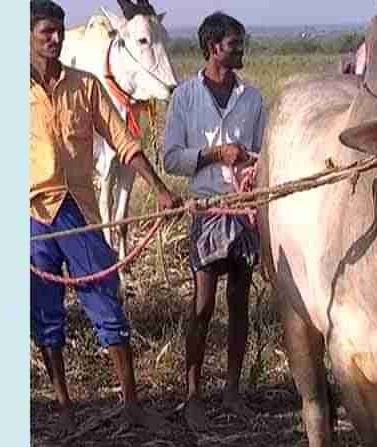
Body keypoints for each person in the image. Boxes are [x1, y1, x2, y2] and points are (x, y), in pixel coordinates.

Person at [29, 0, 181, 436]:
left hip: (78, 210)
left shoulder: (85, 86)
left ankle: (131, 404)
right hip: (31, 216)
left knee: (107, 305)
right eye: (45, 32)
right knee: (46, 317)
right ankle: (62, 408)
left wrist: (161, 189)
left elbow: (123, 140)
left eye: (58, 31)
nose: (55, 38)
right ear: (27, 36)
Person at [163, 11, 266, 431]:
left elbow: (265, 154)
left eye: (241, 43)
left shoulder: (254, 98)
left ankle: (233, 391)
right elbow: (171, 158)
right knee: (203, 306)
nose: (240, 50)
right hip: (206, 211)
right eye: (232, 44)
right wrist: (212, 154)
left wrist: (249, 162)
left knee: (239, 304)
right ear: (212, 48)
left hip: (243, 209)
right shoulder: (184, 98)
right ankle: (192, 395)